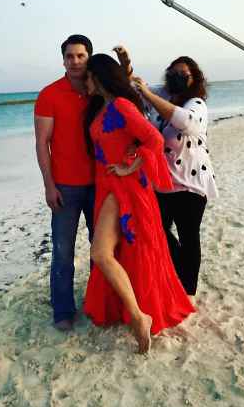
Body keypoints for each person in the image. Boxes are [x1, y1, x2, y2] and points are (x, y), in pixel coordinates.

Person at [83, 54, 195, 353]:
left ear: (99, 77)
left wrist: (129, 167)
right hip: (107, 187)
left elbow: (154, 140)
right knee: (119, 252)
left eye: (88, 76)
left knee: (101, 253)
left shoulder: (121, 105)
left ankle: (138, 315)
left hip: (123, 188)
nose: (85, 82)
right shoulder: (103, 106)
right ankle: (132, 311)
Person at [114, 47, 218, 295]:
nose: (177, 77)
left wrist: (149, 95)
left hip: (190, 184)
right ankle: (173, 278)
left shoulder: (197, 104)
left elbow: (184, 122)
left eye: (183, 74)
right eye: (173, 73)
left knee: (188, 237)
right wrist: (126, 64)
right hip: (161, 182)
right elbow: (133, 88)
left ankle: (188, 290)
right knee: (156, 232)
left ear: (194, 79)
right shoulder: (162, 95)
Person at [34, 35, 95, 331]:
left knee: (101, 250)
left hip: (100, 184)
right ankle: (63, 310)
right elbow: (42, 143)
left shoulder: (98, 91)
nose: (75, 61)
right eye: (69, 56)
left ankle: (98, 303)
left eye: (80, 56)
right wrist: (49, 185)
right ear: (63, 60)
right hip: (65, 187)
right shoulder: (50, 94)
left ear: (89, 58)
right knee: (62, 252)